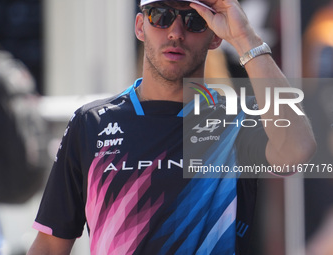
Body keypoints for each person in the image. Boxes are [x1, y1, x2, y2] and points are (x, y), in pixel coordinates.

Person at [27, 0, 316, 254]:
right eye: (161, 16)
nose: (176, 32)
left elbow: (298, 149)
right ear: (140, 26)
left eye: (194, 21)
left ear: (215, 37)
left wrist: (245, 37)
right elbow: (50, 247)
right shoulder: (90, 123)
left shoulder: (236, 118)